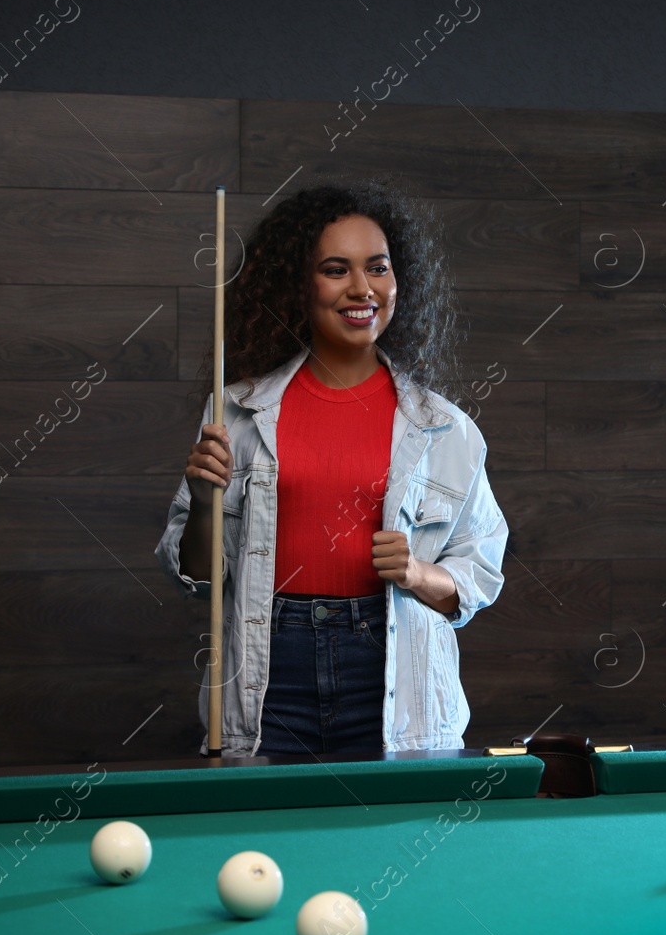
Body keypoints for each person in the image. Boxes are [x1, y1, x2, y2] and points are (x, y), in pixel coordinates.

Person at [154, 181, 507, 757]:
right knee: (267, 838)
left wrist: (417, 573)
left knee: (392, 840)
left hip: (393, 676)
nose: (363, 289)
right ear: (301, 285)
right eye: (337, 270)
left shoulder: (448, 429)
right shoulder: (236, 414)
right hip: (270, 672)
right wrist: (200, 501)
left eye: (378, 268)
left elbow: (478, 576)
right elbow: (197, 579)